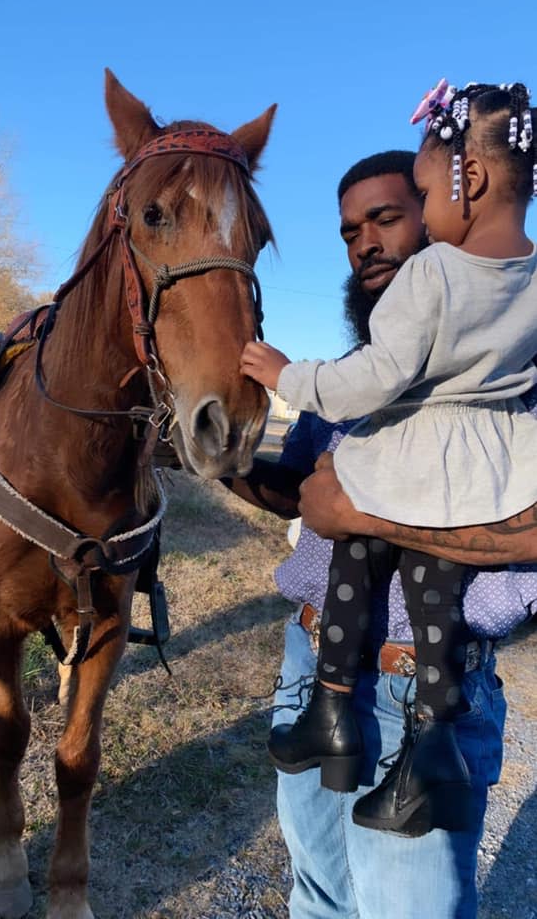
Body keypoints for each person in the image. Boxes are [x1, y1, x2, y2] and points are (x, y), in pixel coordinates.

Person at [225, 148, 537, 918]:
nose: (364, 242)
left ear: (439, 221)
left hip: (422, 691)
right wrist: (215, 462)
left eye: (388, 217)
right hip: (311, 664)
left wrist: (361, 513)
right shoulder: (355, 374)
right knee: (319, 894)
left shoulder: (515, 371)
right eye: (349, 231)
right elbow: (299, 492)